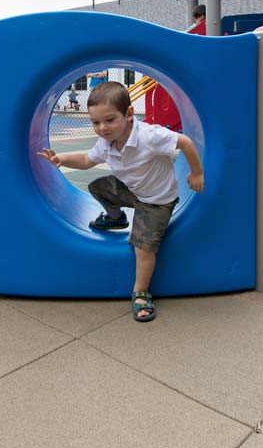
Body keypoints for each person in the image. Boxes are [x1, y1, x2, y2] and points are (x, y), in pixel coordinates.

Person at [37, 81, 204, 323]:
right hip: (133, 191)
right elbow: (85, 159)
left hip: (157, 201)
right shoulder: (106, 142)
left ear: (128, 114)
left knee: (143, 246)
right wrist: (61, 158)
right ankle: (116, 218)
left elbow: (186, 142)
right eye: (96, 122)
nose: (102, 128)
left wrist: (196, 173)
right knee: (98, 187)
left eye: (109, 120)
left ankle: (141, 292)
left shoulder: (150, 136)